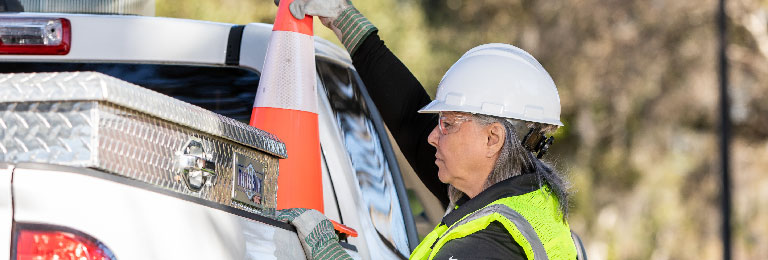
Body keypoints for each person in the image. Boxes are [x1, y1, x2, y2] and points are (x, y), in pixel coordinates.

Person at [284, 0, 585, 259]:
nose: (432, 135)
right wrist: (343, 18)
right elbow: (408, 119)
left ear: (493, 138)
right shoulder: (520, 197)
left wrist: (327, 252)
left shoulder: (489, 246)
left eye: (447, 124)